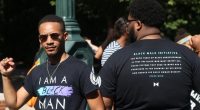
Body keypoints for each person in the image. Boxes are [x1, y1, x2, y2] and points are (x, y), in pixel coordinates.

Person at [98, 0, 200, 109]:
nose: (127, 27)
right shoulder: (188, 56)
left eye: (129, 22)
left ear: (138, 24)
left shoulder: (116, 59)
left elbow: (104, 105)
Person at [0, 15, 105, 110]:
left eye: (54, 36)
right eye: (44, 37)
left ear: (65, 36)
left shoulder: (81, 69)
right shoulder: (36, 72)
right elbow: (14, 104)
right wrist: (6, 76)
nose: (49, 41)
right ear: (40, 40)